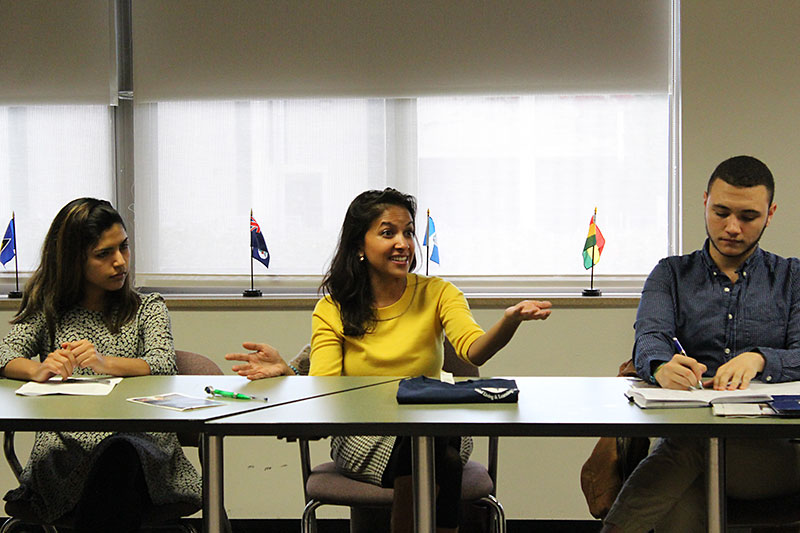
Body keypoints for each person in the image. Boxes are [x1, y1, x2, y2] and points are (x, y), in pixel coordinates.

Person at [226, 187, 552, 532]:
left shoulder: (439, 292)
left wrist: (509, 320)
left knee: (432, 441)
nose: (404, 243)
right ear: (359, 246)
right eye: (388, 233)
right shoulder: (333, 308)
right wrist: (291, 373)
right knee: (440, 456)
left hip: (438, 427)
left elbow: (474, 350)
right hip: (361, 434)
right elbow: (324, 386)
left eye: (408, 232)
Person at [601, 155, 800, 533]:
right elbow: (649, 338)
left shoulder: (791, 278)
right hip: (685, 449)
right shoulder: (671, 274)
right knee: (686, 486)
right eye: (721, 211)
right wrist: (661, 366)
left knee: (693, 445)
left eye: (748, 217)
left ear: (770, 214)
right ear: (704, 200)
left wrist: (760, 359)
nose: (732, 228)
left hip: (774, 454)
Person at [0, 198, 201, 532]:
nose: (120, 262)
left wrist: (105, 362)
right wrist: (37, 369)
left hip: (141, 446)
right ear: (72, 260)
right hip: (67, 450)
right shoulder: (49, 310)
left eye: (124, 247)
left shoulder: (147, 308)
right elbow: (4, 355)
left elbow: (163, 363)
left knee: (119, 456)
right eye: (104, 254)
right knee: (109, 475)